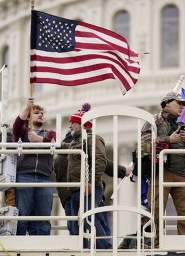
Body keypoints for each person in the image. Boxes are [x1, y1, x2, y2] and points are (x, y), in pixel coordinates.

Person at [141, 91, 185, 247]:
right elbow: (144, 145)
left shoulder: (182, 126)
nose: (181, 107)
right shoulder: (153, 122)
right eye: (178, 103)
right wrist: (168, 140)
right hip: (160, 173)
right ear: (166, 104)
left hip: (180, 174)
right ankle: (157, 244)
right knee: (157, 211)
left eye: (183, 104)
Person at [54, 130, 132, 236]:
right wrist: (122, 170)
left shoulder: (59, 157)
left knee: (75, 229)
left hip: (67, 195)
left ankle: (80, 250)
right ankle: (105, 249)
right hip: (86, 190)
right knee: (97, 222)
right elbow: (102, 162)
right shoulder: (77, 148)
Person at [61, 103, 111, 249]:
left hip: (89, 187)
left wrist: (91, 182)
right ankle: (80, 249)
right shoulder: (77, 141)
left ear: (82, 124)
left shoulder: (92, 138)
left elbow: (100, 160)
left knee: (90, 216)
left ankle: (105, 248)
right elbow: (66, 147)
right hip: (75, 189)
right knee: (76, 223)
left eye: (73, 123)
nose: (70, 126)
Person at [12, 97, 56, 235]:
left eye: (42, 113)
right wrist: (26, 108)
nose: (41, 114)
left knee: (43, 215)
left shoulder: (49, 133)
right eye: (37, 112)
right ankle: (18, 245)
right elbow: (16, 126)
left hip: (44, 177)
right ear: (29, 117)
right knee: (22, 214)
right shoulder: (23, 133)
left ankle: (42, 246)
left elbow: (56, 143)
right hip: (25, 175)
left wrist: (39, 140)